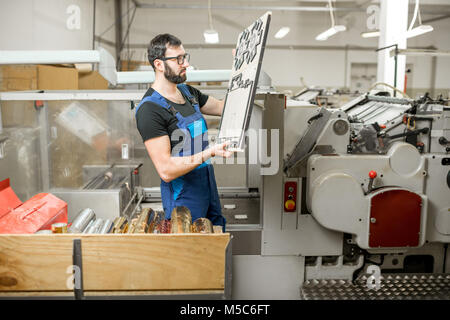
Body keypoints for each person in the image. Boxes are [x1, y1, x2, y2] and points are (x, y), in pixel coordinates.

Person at [135, 33, 233, 231]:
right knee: (190, 252)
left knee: (216, 238)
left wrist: (241, 70)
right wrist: (210, 152)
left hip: (207, 185)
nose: (185, 63)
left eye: (185, 57)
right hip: (183, 199)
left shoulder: (189, 94)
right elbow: (166, 170)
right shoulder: (150, 109)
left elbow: (225, 108)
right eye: (178, 59)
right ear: (159, 64)